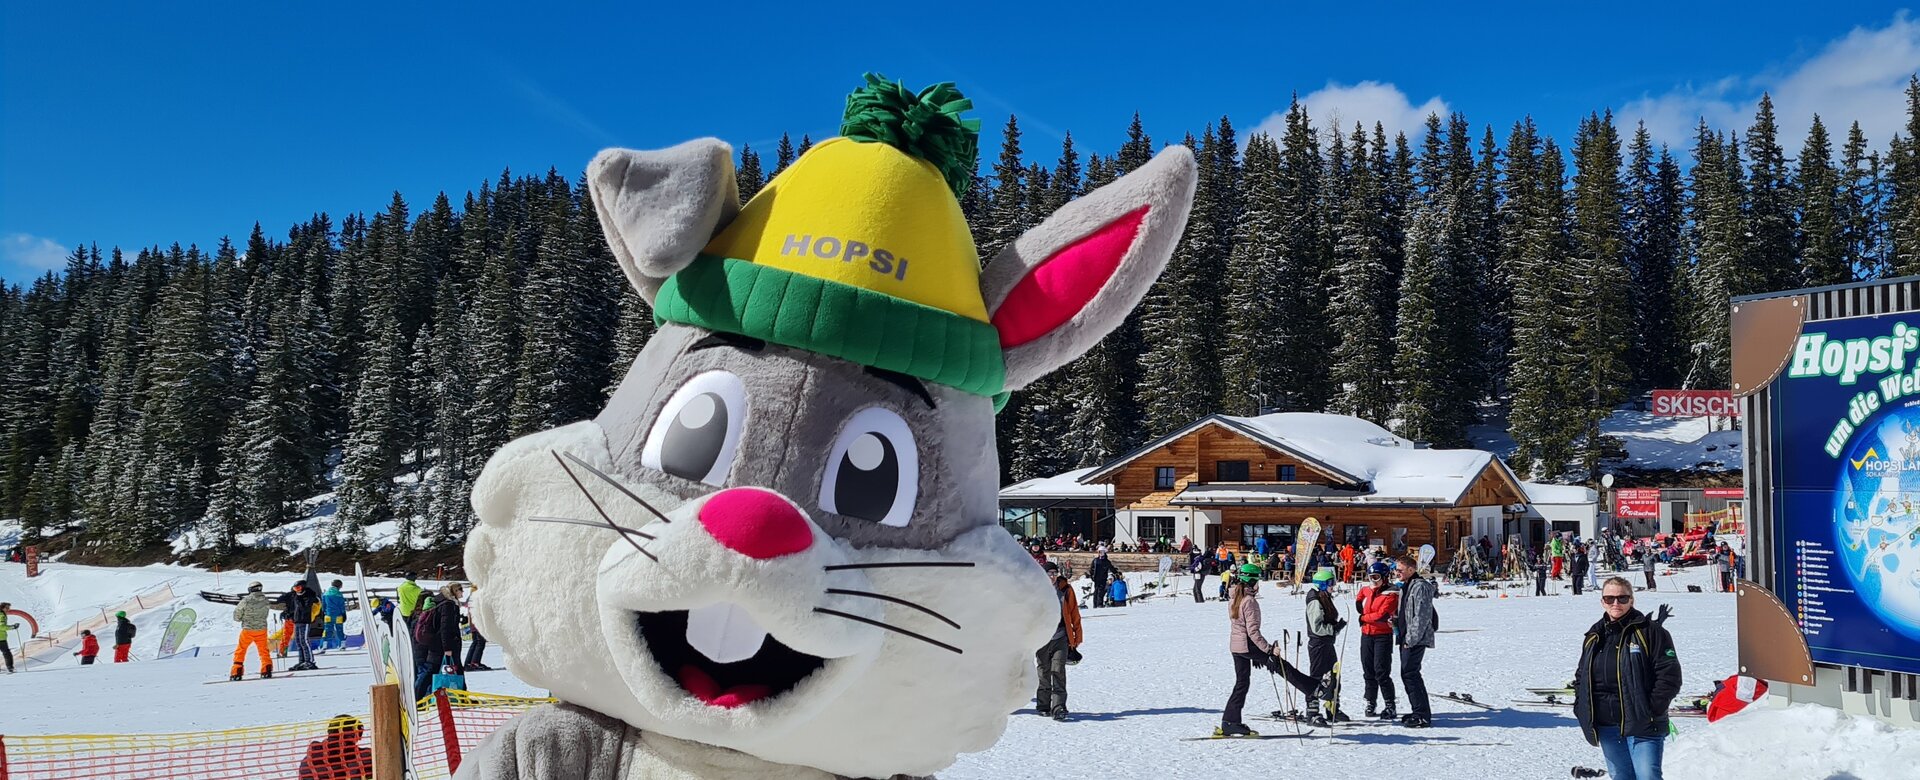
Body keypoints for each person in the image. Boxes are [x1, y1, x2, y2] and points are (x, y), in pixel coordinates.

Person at [1574, 577, 1682, 780]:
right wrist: (1580, 707)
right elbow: (1581, 676)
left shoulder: (1651, 632)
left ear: (1632, 600)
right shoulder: (1594, 636)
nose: (1616, 604)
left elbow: (1669, 675)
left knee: (1647, 776)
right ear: (1602, 602)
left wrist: (1652, 708)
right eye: (1610, 598)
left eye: (1622, 598)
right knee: (1621, 776)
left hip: (1643, 723)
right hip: (1607, 724)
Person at [1221, 563, 1274, 737]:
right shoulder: (1249, 601)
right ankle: (1311, 687)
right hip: (1246, 645)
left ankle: (1230, 721)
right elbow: (1252, 632)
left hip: (1236, 646)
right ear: (1251, 581)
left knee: (1241, 683)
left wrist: (1255, 656)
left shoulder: (1234, 596)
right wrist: (1267, 651)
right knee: (1277, 665)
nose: (1258, 585)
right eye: (1257, 580)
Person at [1394, 553, 1437, 728]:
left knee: (1411, 673)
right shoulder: (1406, 586)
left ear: (1411, 570)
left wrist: (1411, 638)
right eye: (1395, 570)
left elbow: (1421, 615)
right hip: (1405, 636)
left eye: (1400, 570)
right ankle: (1417, 710)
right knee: (1407, 673)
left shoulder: (1420, 587)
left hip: (1415, 638)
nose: (1397, 573)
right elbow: (1406, 611)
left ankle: (1422, 715)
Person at [1035, 561, 1082, 721]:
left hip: (1061, 636)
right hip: (1041, 638)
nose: (1053, 576)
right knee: (1043, 671)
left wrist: (1077, 636)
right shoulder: (1035, 590)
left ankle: (1059, 707)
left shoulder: (1065, 590)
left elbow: (1074, 612)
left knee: (1058, 670)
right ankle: (1043, 705)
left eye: (1055, 573)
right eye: (1049, 574)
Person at [1302, 569, 1349, 724]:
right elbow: (1316, 627)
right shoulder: (1315, 599)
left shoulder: (1324, 596)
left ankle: (1332, 707)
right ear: (1322, 585)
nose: (1333, 586)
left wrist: (1335, 626)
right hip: (1318, 644)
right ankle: (1312, 712)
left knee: (1333, 675)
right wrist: (1333, 629)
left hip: (1326, 643)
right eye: (1330, 583)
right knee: (1316, 677)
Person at [1356, 562, 1400, 720]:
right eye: (1370, 577)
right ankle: (1370, 701)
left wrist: (1363, 617)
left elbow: (1382, 615)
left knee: (1381, 671)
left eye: (1376, 577)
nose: (1373, 580)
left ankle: (1390, 704)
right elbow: (1362, 593)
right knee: (1368, 670)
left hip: (1383, 635)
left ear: (1385, 577)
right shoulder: (1369, 589)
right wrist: (1358, 602)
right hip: (1367, 634)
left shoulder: (1391, 593)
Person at [414, 583, 465, 696]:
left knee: (457, 669)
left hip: (439, 643)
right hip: (442, 644)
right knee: (431, 670)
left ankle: (462, 695)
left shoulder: (442, 602)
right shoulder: (448, 605)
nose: (463, 592)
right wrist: (447, 647)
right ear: (454, 591)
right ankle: (417, 696)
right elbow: (445, 628)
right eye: (460, 589)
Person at [297, 714, 373, 780]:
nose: (360, 738)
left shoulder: (307, 762)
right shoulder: (365, 757)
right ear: (352, 734)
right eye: (359, 734)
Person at [232, 581, 275, 680]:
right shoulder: (265, 600)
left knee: (241, 650)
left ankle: (237, 671)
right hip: (262, 629)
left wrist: (242, 618)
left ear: (250, 589)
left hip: (248, 629)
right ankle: (266, 669)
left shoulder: (246, 600)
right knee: (263, 650)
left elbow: (237, 615)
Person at [282, 582, 321, 671]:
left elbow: (305, 608)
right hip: (297, 621)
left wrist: (299, 599)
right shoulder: (297, 596)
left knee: (304, 641)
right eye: (295, 589)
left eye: (298, 588)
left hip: (305, 620)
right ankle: (302, 661)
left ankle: (310, 661)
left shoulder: (308, 596)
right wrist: (289, 614)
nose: (297, 590)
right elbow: (296, 609)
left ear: (303, 587)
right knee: (298, 641)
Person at [321, 580, 349, 652]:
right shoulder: (339, 594)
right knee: (339, 629)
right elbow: (342, 606)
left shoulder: (325, 594)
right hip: (338, 615)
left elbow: (323, 605)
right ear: (339, 586)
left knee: (327, 630)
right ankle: (342, 645)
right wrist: (343, 613)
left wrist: (323, 612)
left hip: (328, 615)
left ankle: (324, 645)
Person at [0, 601, 14, 673]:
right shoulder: (1, 615)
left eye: (9, 607)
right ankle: (10, 668)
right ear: (2, 608)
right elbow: (1, 627)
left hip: (2, 637)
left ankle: (10, 667)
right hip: (1, 638)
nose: (8, 609)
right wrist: (12, 627)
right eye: (7, 607)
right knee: (6, 653)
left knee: (6, 652)